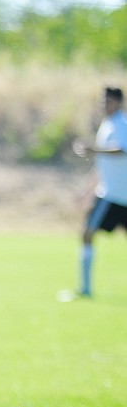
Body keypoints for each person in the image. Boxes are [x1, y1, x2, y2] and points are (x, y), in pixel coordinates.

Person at [69, 87, 127, 298]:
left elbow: (121, 149)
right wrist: (86, 188)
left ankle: (85, 289)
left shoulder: (121, 124)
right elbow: (104, 166)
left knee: (87, 234)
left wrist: (94, 149)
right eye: (103, 101)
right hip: (110, 193)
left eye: (109, 101)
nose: (105, 105)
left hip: (116, 195)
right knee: (87, 234)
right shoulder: (108, 124)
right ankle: (85, 288)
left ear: (118, 102)